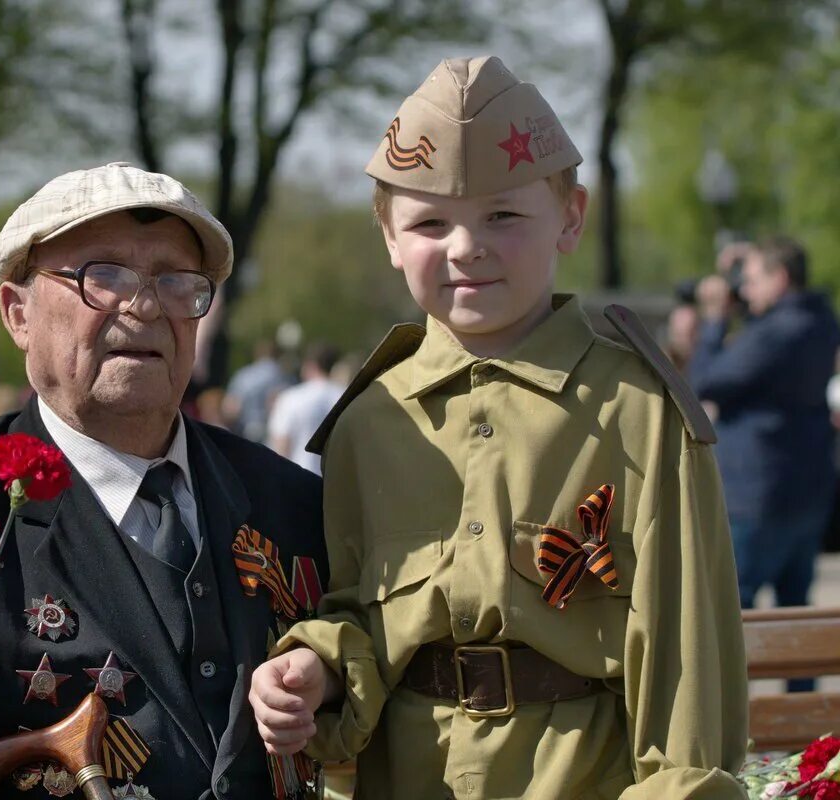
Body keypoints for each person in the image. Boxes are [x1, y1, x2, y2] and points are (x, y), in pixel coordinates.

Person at [249, 56, 747, 799]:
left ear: (570, 216)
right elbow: (361, 611)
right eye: (428, 223)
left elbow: (686, 652)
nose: (465, 248)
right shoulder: (368, 420)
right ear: (388, 236)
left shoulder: (635, 410)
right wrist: (314, 667)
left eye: (504, 216)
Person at [0, 162, 328, 800]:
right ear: (17, 314)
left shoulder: (291, 504)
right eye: (102, 276)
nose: (147, 305)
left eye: (178, 281)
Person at [690, 239, 840, 619]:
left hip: (757, 495)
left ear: (781, 278)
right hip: (808, 491)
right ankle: (805, 681)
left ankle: (742, 684)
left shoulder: (775, 333)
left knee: (733, 613)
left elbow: (705, 381)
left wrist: (714, 321)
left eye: (753, 279)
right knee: (797, 616)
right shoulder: (821, 320)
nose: (744, 289)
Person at [266, 342, 343, 475]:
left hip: (300, 480)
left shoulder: (290, 398)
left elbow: (281, 447)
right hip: (335, 482)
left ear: (310, 365)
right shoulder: (345, 397)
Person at [223, 340, 292, 442]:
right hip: (273, 432)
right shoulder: (284, 376)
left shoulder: (243, 376)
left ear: (257, 354)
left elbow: (230, 408)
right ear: (277, 355)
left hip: (245, 431)